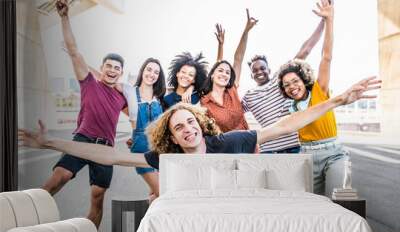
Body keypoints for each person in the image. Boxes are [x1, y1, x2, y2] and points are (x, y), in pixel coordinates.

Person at [19, 77, 380, 173]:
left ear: (200, 124)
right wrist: (52, 144)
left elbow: (284, 125)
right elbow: (107, 155)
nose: (187, 129)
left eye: (190, 121)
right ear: (171, 137)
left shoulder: (229, 141)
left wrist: (336, 100)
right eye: (178, 127)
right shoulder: (168, 159)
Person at [42, 0, 127, 228]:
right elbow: (73, 51)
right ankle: (24, 215)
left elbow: (140, 114)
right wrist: (64, 17)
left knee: (97, 198)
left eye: (117, 68)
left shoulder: (122, 97)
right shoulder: (89, 82)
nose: (112, 70)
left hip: (105, 149)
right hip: (83, 140)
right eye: (108, 66)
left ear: (121, 73)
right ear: (102, 68)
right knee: (59, 177)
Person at [277, 0, 343, 196]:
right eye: (286, 85)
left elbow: (326, 56)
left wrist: (329, 20)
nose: (291, 87)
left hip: (334, 153)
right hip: (306, 156)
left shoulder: (319, 90)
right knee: (313, 203)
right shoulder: (290, 107)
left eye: (295, 81)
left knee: (337, 199)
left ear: (303, 79)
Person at [242, 8, 325, 154]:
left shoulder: (280, 80)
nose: (259, 72)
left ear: (269, 69)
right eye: (255, 71)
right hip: (269, 151)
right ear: (251, 75)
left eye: (262, 68)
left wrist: (324, 20)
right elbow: (228, 111)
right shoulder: (248, 96)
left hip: (296, 147)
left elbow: (305, 50)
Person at [200, 9, 257, 132]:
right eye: (221, 71)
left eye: (228, 73)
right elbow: (218, 64)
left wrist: (246, 31)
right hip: (223, 149)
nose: (224, 74)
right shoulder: (204, 102)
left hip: (247, 146)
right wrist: (220, 46)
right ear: (212, 75)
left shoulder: (232, 90)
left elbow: (238, 59)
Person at [120, 59, 166, 202]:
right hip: (141, 150)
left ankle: (150, 222)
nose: (152, 74)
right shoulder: (130, 92)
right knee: (162, 192)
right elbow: (108, 81)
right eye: (149, 69)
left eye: (156, 72)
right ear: (143, 71)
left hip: (160, 150)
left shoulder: (160, 97)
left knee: (155, 194)